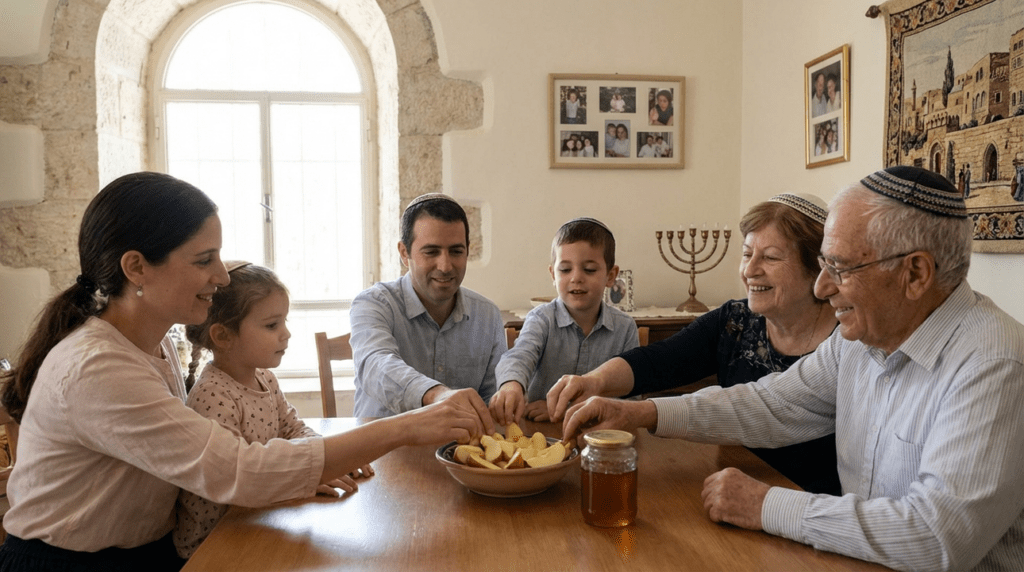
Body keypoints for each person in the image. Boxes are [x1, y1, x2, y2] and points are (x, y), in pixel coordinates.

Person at [0, 172, 489, 570]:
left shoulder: (156, 344)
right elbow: (238, 470)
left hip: (143, 553)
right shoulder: (96, 368)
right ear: (136, 268)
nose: (220, 275)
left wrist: (297, 473)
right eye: (203, 259)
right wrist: (407, 426)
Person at [552, 167, 1024, 571]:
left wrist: (766, 504)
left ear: (915, 274)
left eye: (838, 267)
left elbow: (937, 537)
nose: (823, 285)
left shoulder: (993, 361)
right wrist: (642, 414)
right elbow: (772, 403)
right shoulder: (860, 340)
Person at [548, 193, 841, 495]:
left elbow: (759, 408)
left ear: (816, 269)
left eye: (770, 257)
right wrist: (595, 380)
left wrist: (637, 413)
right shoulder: (735, 320)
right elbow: (663, 359)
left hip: (811, 507)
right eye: (746, 254)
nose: (750, 270)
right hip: (735, 491)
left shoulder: (847, 342)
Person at [172, 262, 371, 558]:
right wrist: (306, 479)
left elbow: (293, 427)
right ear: (223, 336)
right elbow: (233, 488)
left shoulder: (264, 376)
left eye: (284, 321)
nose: (286, 334)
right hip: (215, 543)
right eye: (271, 325)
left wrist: (331, 458)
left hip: (258, 519)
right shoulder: (213, 397)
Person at [350, 193, 505, 420]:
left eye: (456, 251)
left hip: (459, 450)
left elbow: (492, 399)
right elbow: (376, 365)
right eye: (431, 252)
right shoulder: (372, 304)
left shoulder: (488, 314)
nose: (445, 266)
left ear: (468, 250)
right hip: (385, 449)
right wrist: (437, 396)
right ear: (404, 253)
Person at [489, 218, 638, 425]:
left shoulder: (625, 328)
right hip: (542, 432)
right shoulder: (541, 319)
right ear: (553, 274)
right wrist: (511, 385)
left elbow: (631, 398)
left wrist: (566, 409)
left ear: (611, 276)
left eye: (589, 270)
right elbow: (519, 355)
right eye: (565, 270)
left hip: (599, 433)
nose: (576, 278)